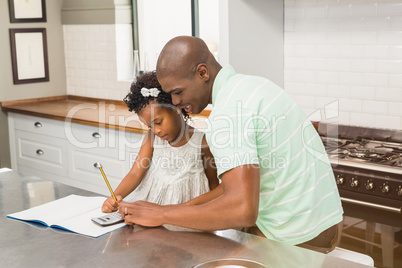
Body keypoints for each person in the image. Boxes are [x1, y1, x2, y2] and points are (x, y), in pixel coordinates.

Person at [118, 36, 343, 253]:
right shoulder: (250, 86)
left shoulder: (228, 114)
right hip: (321, 222)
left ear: (202, 72)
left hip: (299, 235)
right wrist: (168, 210)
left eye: (178, 92)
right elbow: (230, 189)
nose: (175, 102)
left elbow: (241, 209)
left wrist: (163, 215)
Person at [102, 71, 219, 212]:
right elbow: (135, 173)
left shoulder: (202, 143)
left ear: (176, 107)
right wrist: (115, 197)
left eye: (158, 122)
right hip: (151, 213)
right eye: (150, 126)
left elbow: (214, 187)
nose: (155, 130)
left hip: (186, 217)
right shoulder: (152, 138)